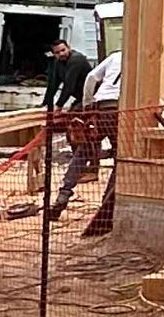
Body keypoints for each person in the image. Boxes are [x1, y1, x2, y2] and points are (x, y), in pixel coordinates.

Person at [49, 44, 120, 226]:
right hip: (121, 109)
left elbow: (91, 77)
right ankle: (107, 207)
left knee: (83, 152)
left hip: (102, 107)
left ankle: (63, 196)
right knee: (122, 157)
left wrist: (88, 106)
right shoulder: (140, 60)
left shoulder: (115, 56)